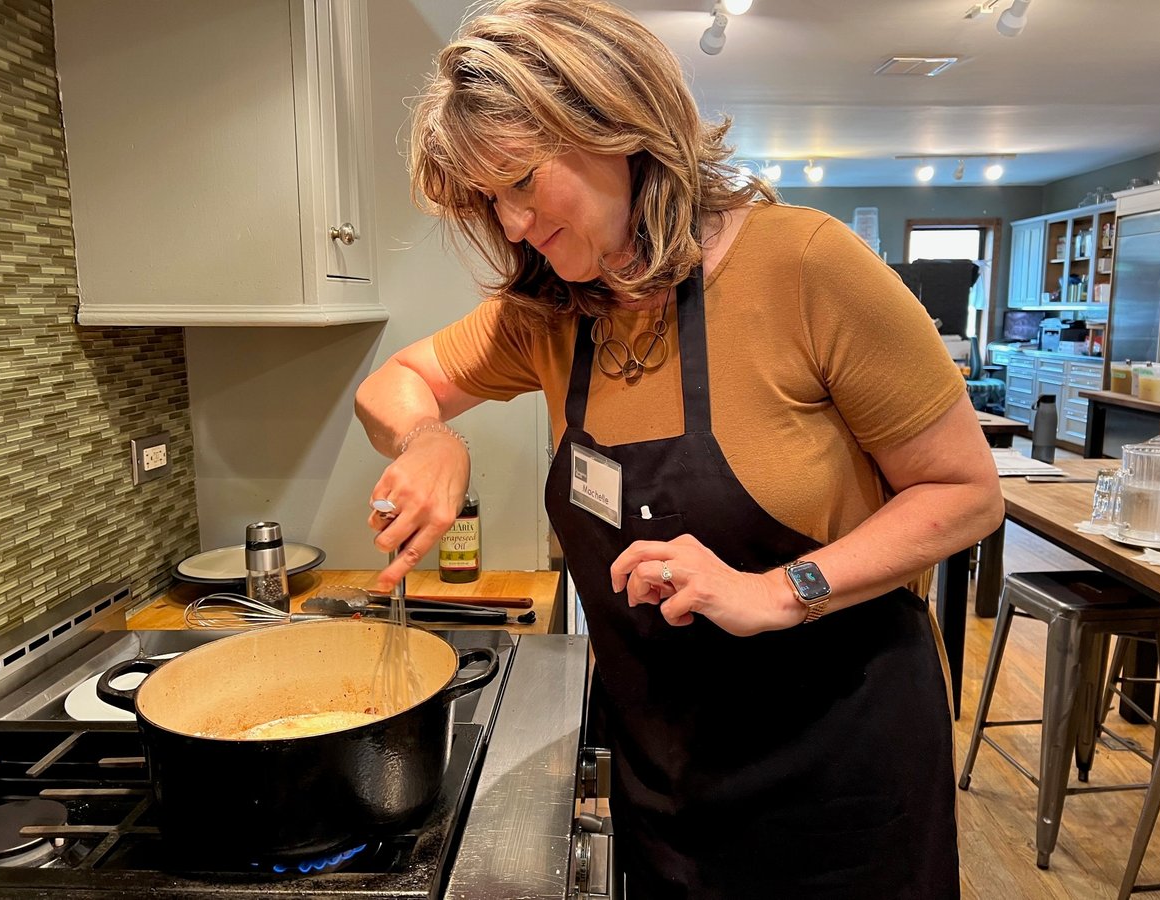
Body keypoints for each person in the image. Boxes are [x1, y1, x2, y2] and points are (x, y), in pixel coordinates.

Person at [355, 1, 1004, 896]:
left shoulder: (806, 265)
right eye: (488, 200)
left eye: (520, 182)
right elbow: (394, 382)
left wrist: (779, 591)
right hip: (666, 776)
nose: (510, 224)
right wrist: (430, 436)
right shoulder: (548, 312)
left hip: (842, 777)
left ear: (614, 125)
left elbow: (966, 493)